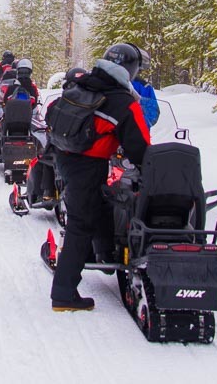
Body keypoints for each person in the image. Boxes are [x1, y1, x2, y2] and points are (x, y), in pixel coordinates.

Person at [49, 44, 151, 312]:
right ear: (131, 70)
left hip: (66, 156)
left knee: (103, 200)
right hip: (88, 163)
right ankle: (63, 293)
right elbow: (140, 147)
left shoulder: (87, 83)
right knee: (80, 224)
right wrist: (151, 170)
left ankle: (104, 253)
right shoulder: (123, 101)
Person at [128, 44, 160, 128]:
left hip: (135, 134)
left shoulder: (143, 86)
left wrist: (136, 122)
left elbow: (152, 113)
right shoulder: (103, 81)